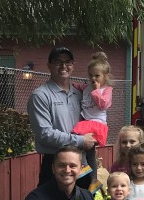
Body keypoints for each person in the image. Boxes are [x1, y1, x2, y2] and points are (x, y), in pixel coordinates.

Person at [28, 47, 96, 187]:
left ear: (73, 65)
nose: (63, 66)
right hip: (56, 164)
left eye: (68, 62)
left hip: (81, 164)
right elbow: (45, 134)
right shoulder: (41, 96)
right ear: (49, 65)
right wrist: (81, 140)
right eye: (58, 62)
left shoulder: (79, 94)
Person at [72, 52, 114, 189]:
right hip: (85, 122)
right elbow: (77, 87)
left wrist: (96, 91)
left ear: (105, 76)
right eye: (90, 75)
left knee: (81, 146)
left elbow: (104, 105)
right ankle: (92, 179)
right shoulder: (86, 87)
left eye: (97, 76)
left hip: (96, 124)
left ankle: (87, 172)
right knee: (87, 151)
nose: (93, 78)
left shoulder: (106, 90)